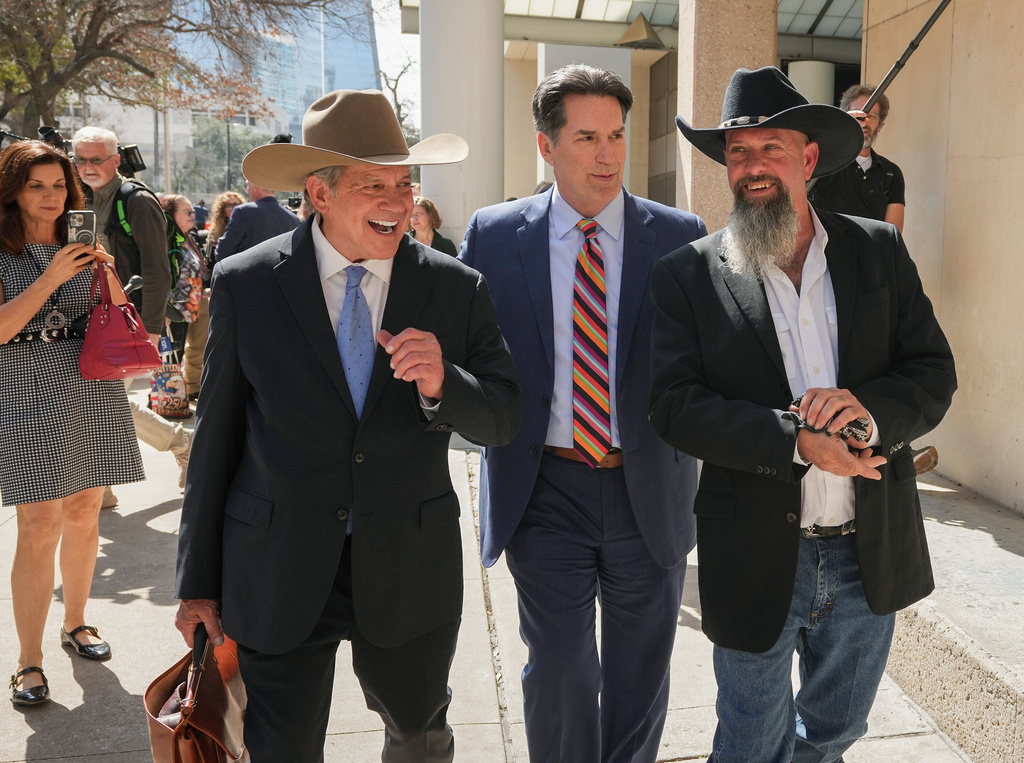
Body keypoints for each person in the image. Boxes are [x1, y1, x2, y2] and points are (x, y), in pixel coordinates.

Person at [173, 88, 521, 762]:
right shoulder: (246, 283)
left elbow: (505, 415)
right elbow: (216, 438)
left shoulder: (456, 288)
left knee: (418, 731)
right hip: (277, 564)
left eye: (404, 182)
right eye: (374, 185)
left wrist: (445, 382)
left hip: (407, 567)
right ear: (320, 193)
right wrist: (197, 580)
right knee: (281, 746)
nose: (398, 200)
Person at [650, 66, 957, 763]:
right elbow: (672, 407)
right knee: (751, 741)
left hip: (866, 550)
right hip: (754, 554)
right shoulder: (686, 276)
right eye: (738, 153)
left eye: (770, 149)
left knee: (836, 734)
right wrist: (796, 441)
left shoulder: (879, 251)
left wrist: (869, 411)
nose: (752, 168)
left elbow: (934, 373)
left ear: (809, 157)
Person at [459, 64, 707, 763]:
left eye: (618, 136)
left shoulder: (680, 235)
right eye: (588, 137)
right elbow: (470, 355)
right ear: (546, 145)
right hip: (545, 489)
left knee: (640, 675)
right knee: (561, 667)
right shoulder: (495, 234)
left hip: (649, 489)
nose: (608, 154)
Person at [0, 141, 145, 705]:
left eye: (59, 186)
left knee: (86, 511)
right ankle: (27, 660)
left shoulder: (80, 244)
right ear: (13, 190)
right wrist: (51, 278)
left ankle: (76, 622)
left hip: (90, 382)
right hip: (25, 386)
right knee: (38, 524)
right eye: (37, 185)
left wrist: (102, 269)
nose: (51, 196)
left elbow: (113, 313)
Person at [70, 126, 191, 492]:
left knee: (107, 400)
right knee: (100, 400)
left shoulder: (135, 200)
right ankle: (100, 488)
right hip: (90, 318)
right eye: (80, 159)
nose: (87, 166)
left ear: (116, 160)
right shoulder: (79, 198)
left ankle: (184, 445)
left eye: (96, 159)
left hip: (130, 320)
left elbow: (157, 271)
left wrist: (151, 329)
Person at [809, 84, 905, 231]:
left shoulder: (891, 173)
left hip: (870, 253)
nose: (863, 122)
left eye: (871, 116)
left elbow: (892, 234)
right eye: (857, 115)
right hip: (825, 252)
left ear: (880, 124)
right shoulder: (824, 161)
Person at [212, 178, 299, 262]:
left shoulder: (242, 212)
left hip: (247, 275)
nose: (248, 190)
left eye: (248, 186)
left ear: (256, 187)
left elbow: (223, 252)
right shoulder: (293, 218)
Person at [159, 195, 204, 356]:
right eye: (187, 212)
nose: (193, 216)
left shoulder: (187, 238)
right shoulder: (166, 239)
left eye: (192, 211)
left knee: (177, 362)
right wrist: (161, 311)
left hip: (186, 312)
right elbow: (160, 276)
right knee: (169, 364)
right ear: (171, 214)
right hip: (171, 313)